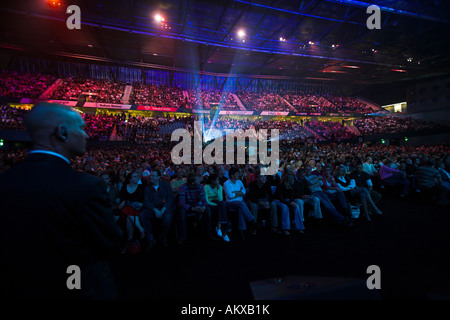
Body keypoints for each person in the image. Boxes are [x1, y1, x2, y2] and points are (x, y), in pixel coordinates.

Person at [0, 103, 122, 299]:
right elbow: (110, 241)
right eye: (81, 128)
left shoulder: (5, 181)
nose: (87, 135)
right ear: (62, 132)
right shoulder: (85, 186)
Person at [140, 169, 175, 250]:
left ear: (158, 177)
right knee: (143, 215)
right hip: (153, 208)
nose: (150, 177)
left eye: (153, 176)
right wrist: (155, 209)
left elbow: (170, 198)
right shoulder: (148, 187)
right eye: (150, 176)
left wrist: (164, 208)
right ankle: (150, 238)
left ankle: (163, 237)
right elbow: (146, 201)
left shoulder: (165, 185)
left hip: (165, 207)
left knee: (167, 217)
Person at [177, 173, 215, 244]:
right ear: (192, 182)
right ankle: (182, 237)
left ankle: (209, 234)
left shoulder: (200, 187)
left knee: (207, 210)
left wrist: (203, 206)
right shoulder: (183, 188)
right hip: (187, 206)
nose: (199, 180)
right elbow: (182, 203)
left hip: (196, 204)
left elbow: (204, 200)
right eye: (197, 180)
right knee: (181, 212)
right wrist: (192, 208)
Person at [223, 167, 256, 238]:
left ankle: (242, 230)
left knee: (241, 207)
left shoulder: (239, 182)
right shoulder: (226, 183)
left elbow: (244, 192)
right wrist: (239, 193)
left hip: (240, 202)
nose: (239, 175)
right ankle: (251, 220)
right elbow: (230, 196)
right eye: (237, 174)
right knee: (241, 204)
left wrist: (235, 192)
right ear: (232, 175)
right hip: (230, 203)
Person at [204, 174, 230, 242]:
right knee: (223, 205)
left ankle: (219, 227)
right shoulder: (206, 187)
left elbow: (220, 199)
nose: (219, 181)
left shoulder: (220, 187)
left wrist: (218, 189)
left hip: (218, 203)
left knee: (223, 204)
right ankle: (224, 232)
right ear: (212, 181)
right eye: (217, 180)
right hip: (210, 204)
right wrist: (216, 205)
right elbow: (206, 201)